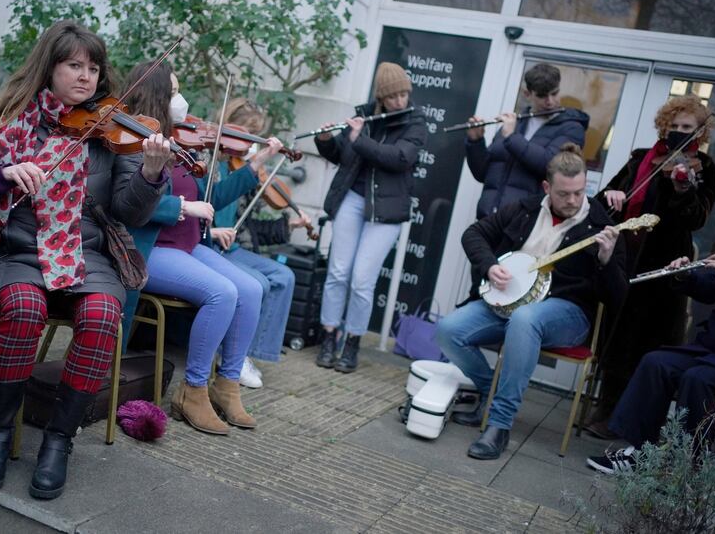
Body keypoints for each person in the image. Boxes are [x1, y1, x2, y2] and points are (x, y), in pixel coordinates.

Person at [0, 21, 170, 499]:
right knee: (25, 306)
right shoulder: (11, 119)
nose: (86, 77)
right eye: (74, 65)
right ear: (50, 68)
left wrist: (150, 173)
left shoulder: (110, 132)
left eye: (93, 67)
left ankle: (59, 441)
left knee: (105, 312)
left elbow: (128, 211)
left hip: (87, 259)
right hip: (16, 254)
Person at [119, 61, 282, 435]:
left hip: (189, 245)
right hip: (152, 246)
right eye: (174, 91)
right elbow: (126, 200)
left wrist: (254, 164)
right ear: (156, 94)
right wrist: (181, 207)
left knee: (252, 289)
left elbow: (214, 197)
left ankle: (225, 386)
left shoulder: (182, 139)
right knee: (221, 293)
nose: (181, 99)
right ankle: (192, 391)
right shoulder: (135, 138)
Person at [436, 144, 626, 460]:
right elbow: (474, 234)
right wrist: (489, 265)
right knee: (448, 330)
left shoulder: (599, 224)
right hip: (507, 302)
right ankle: (489, 392)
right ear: (546, 187)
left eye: (579, 193)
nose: (573, 201)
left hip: (566, 312)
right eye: (564, 194)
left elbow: (618, 296)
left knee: (526, 319)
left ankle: (499, 423)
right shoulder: (524, 210)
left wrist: (606, 260)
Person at [586, 94, 715, 439]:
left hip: (663, 265)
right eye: (673, 125)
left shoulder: (704, 169)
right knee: (614, 336)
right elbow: (606, 199)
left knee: (647, 340)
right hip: (625, 256)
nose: (678, 131)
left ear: (700, 132)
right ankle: (606, 407)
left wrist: (683, 188)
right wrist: (613, 197)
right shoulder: (641, 159)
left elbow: (696, 219)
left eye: (686, 127)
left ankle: (633, 421)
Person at [314, 61, 427, 372]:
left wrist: (359, 139)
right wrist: (325, 142)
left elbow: (400, 158)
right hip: (352, 199)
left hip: (387, 211)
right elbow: (342, 154)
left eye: (404, 94)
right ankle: (328, 335)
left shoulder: (416, 123)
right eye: (393, 96)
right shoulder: (364, 114)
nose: (400, 101)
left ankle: (352, 342)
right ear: (381, 97)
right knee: (338, 273)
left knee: (362, 280)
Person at [207, 98, 312, 388]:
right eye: (248, 133)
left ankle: (247, 354)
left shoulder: (247, 169)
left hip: (233, 246)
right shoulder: (211, 161)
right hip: (211, 245)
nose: (251, 143)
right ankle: (233, 356)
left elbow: (247, 227)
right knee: (260, 282)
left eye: (256, 135)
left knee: (284, 275)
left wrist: (287, 225)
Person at [586, 254, 715, 474]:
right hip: (711, 349)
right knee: (656, 363)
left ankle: (686, 466)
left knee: (697, 379)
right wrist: (685, 276)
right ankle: (640, 452)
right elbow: (710, 289)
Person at [465, 63, 590, 220]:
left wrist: (511, 138)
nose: (550, 101)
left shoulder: (572, 128)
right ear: (527, 94)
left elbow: (550, 165)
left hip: (525, 224)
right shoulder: (515, 123)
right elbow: (483, 174)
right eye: (542, 96)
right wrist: (475, 142)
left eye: (554, 93)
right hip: (488, 220)